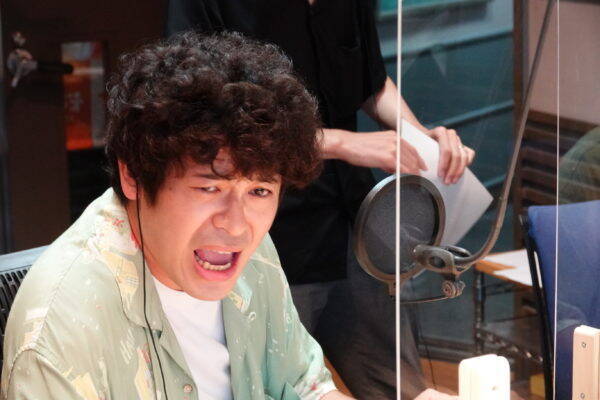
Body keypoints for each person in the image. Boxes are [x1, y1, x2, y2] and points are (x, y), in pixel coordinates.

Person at [1, 32, 349, 400]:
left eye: (259, 191)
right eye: (209, 188)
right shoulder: (62, 331)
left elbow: (305, 384)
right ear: (133, 176)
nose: (237, 225)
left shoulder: (252, 250)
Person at [166, 1, 473, 399]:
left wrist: (418, 138)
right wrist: (342, 143)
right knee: (269, 385)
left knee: (397, 385)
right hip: (262, 236)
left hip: (355, 225)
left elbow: (371, 81)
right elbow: (206, 119)